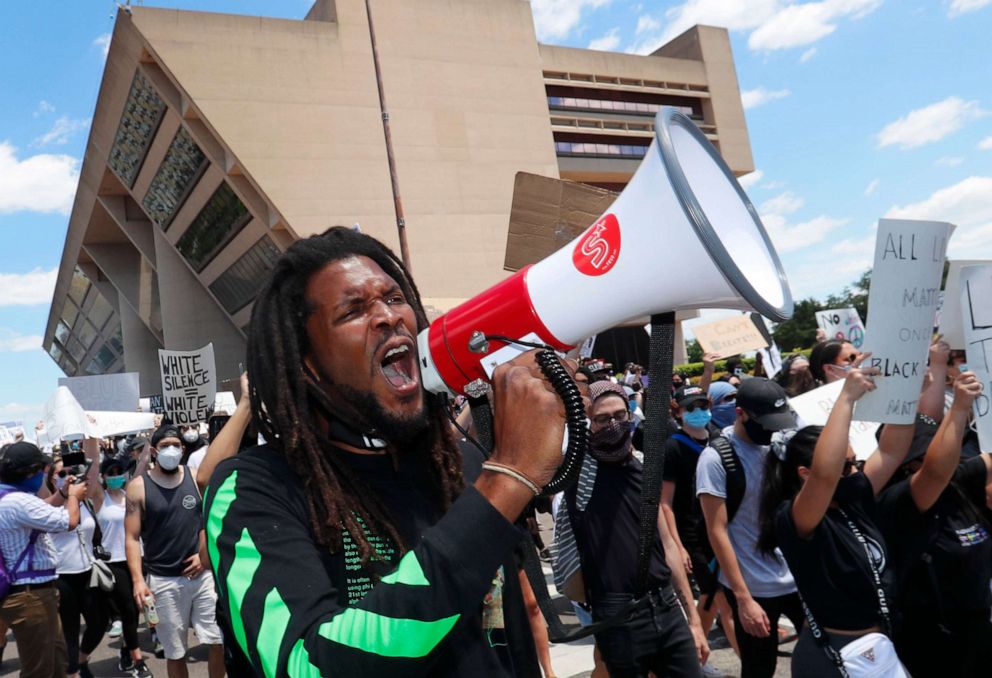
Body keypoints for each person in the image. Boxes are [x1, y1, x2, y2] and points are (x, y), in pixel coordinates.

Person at [203, 226, 571, 676]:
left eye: (395, 298)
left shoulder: (465, 464)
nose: (387, 316)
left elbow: (507, 637)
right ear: (307, 363)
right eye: (353, 310)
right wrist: (507, 479)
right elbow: (305, 665)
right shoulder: (253, 490)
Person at [757, 361, 914, 676]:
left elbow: (892, 451)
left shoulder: (850, 496)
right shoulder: (793, 518)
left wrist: (906, 392)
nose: (855, 471)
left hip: (880, 648)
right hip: (841, 657)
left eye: (856, 463)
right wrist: (846, 398)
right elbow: (825, 475)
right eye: (847, 465)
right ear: (804, 475)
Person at [565, 381, 708, 677]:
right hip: (619, 614)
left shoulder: (644, 466)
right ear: (587, 423)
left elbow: (667, 545)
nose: (614, 424)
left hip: (665, 604)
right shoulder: (580, 476)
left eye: (620, 415)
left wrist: (693, 620)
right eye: (602, 419)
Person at [876, 370, 989, 676]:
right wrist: (960, 406)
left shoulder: (959, 484)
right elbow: (935, 473)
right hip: (934, 641)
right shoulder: (896, 501)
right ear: (910, 464)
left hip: (978, 629)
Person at [695, 378, 801, 678]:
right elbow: (717, 531)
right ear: (740, 413)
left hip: (796, 578)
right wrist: (743, 599)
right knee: (759, 668)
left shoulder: (780, 446)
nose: (771, 429)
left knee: (825, 656)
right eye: (765, 422)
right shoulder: (716, 459)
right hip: (754, 588)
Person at [126, 425, 224, 678]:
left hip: (202, 577)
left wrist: (204, 557)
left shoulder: (195, 477)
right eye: (165, 445)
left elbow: (207, 521)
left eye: (176, 445)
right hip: (164, 581)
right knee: (175, 652)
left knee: (218, 641)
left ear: (183, 449)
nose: (171, 450)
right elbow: (131, 537)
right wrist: (138, 580)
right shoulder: (138, 487)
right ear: (154, 451)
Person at [662, 385, 739, 664]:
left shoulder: (718, 437)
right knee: (726, 604)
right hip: (694, 536)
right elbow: (665, 503)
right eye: (690, 408)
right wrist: (678, 546)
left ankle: (695, 659)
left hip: (724, 530)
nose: (698, 413)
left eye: (702, 406)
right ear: (678, 412)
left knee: (709, 598)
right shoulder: (673, 447)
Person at [0, 441, 87, 678]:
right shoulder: (18, 500)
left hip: (29, 593)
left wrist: (62, 494)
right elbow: (68, 522)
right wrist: (74, 497)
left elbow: (41, 510)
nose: (42, 474)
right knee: (40, 669)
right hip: (31, 596)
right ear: (28, 471)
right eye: (40, 469)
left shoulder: (8, 497)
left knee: (54, 661)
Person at [46, 451, 107, 678]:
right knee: (69, 632)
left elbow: (94, 460)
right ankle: (73, 672)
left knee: (100, 622)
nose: (67, 476)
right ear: (52, 479)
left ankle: (82, 658)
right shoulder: (47, 505)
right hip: (62, 577)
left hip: (88, 572)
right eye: (61, 473)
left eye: (70, 471)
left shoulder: (85, 500)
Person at [95, 455, 153, 677]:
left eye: (119, 471)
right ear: (103, 477)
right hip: (115, 562)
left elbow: (142, 465)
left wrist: (148, 441)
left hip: (138, 557)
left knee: (137, 608)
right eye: (111, 472)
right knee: (129, 609)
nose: (116, 475)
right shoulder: (100, 498)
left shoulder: (130, 494)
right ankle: (137, 662)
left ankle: (126, 649)